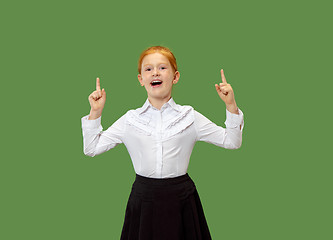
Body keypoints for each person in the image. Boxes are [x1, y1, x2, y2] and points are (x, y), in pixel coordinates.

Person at [81, 46, 244, 240]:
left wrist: (230, 105)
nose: (155, 72)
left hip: (182, 199)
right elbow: (91, 148)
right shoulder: (130, 119)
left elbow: (232, 141)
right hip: (143, 200)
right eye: (148, 69)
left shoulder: (189, 116)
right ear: (141, 80)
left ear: (175, 77)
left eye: (162, 68)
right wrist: (96, 113)